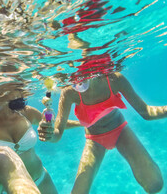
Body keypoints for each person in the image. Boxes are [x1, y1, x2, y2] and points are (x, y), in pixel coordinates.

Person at [38, 71, 167, 194]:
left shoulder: (114, 79)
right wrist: (49, 134)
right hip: (94, 140)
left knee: (155, 184)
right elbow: (57, 134)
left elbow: (147, 112)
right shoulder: (69, 92)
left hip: (120, 130)